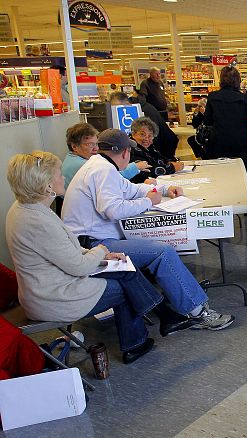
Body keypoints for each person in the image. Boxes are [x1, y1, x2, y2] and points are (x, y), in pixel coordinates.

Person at [5, 152, 195, 364]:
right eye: (59, 174)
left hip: (44, 290)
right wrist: (102, 251)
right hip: (54, 298)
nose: (63, 178)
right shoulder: (39, 221)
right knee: (125, 286)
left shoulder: (24, 209)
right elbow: (78, 266)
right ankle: (141, 337)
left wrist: (100, 253)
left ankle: (159, 322)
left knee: (123, 269)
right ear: (47, 186)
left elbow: (65, 250)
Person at [61, 129, 235, 332]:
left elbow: (130, 189)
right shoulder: (102, 170)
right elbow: (112, 210)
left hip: (91, 241)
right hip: (93, 245)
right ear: (125, 152)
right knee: (163, 251)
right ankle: (197, 313)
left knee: (159, 251)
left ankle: (183, 299)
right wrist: (147, 201)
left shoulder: (100, 165)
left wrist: (161, 190)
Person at [60, 123, 149, 214]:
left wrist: (155, 189)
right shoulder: (88, 166)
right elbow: (113, 210)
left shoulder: (92, 161)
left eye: (96, 144)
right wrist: (148, 201)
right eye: (90, 144)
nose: (95, 149)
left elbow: (122, 185)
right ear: (74, 146)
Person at [204, 66, 247, 204]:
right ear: (238, 80)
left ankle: (223, 203)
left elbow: (207, 120)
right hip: (242, 142)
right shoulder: (244, 98)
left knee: (221, 174)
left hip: (219, 142)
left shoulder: (212, 97)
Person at [110, 92, 179, 160]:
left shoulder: (142, 110)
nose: (115, 110)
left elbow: (152, 134)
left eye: (117, 107)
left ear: (127, 103)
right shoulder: (139, 107)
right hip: (158, 144)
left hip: (163, 145)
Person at [128, 117, 185, 184]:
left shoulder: (150, 147)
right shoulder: (131, 149)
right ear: (133, 134)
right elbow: (145, 171)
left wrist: (172, 162)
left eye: (150, 136)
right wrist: (171, 168)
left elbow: (161, 159)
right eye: (142, 134)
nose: (146, 139)